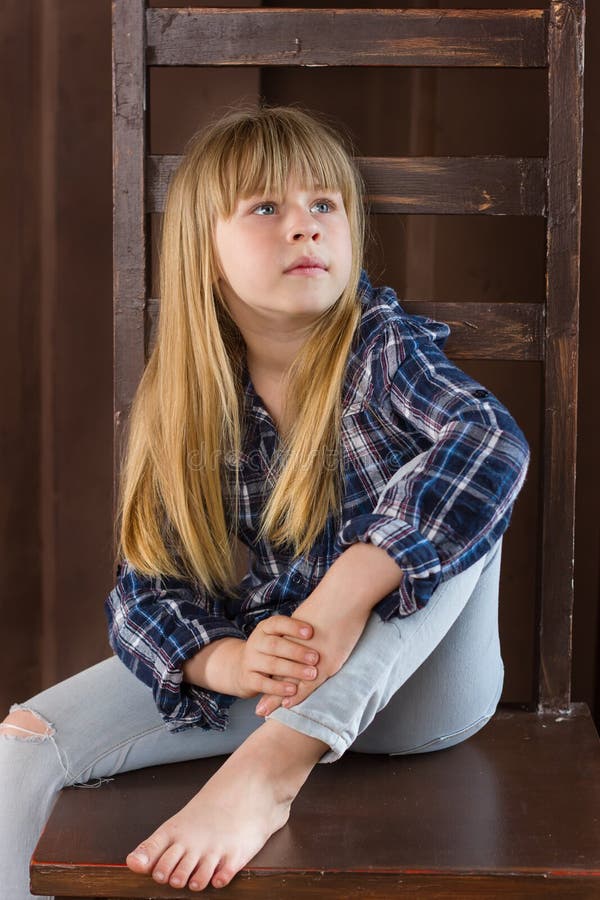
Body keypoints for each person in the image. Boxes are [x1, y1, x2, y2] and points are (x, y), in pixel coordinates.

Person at [0, 105, 531, 897]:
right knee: (24, 744)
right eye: (265, 208)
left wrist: (352, 588)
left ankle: (269, 774)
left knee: (455, 498)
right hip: (290, 675)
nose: (305, 228)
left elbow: (492, 440)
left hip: (419, 688)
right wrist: (231, 660)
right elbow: (148, 586)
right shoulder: (194, 399)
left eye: (325, 205)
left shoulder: (381, 349)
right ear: (205, 256)